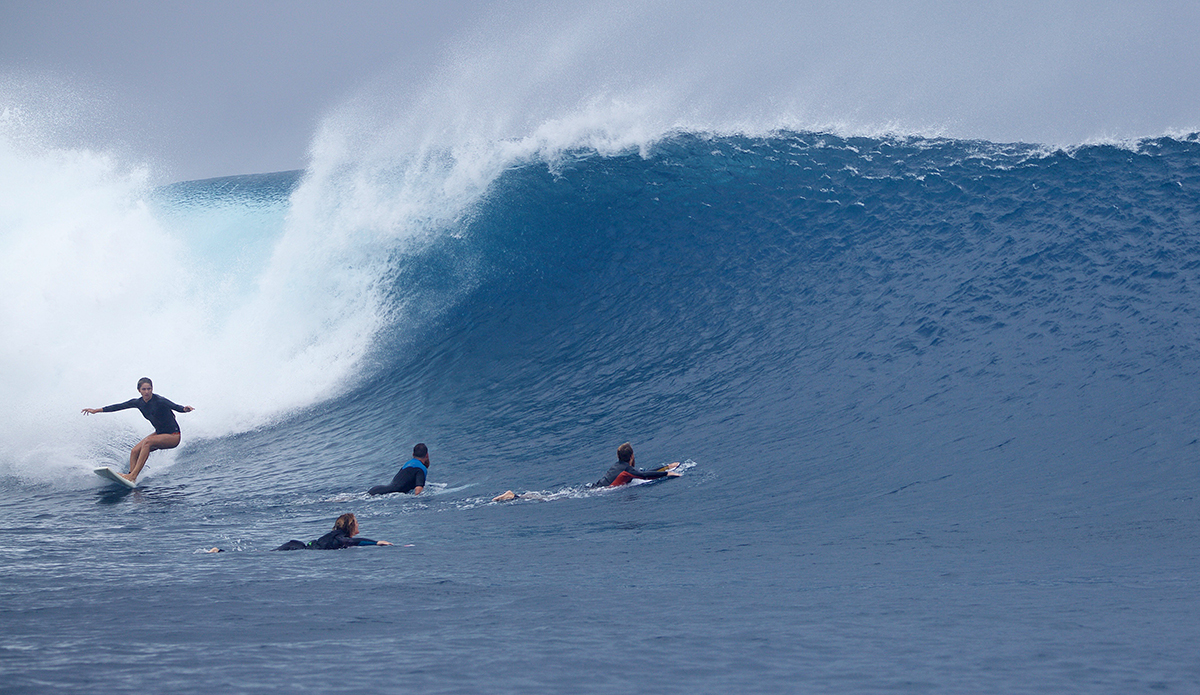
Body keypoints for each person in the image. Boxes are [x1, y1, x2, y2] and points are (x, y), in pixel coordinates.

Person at [82, 377, 194, 483]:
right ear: (139, 390)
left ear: (152, 389)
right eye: (144, 389)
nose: (147, 392)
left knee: (147, 442)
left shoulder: (160, 400)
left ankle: (132, 476)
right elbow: (118, 406)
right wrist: (96, 410)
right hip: (160, 433)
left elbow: (177, 407)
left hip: (173, 435)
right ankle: (130, 476)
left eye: (149, 389)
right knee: (134, 451)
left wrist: (185, 409)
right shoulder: (138, 402)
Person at [492, 442, 680, 502]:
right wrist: (666, 474)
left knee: (551, 496)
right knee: (550, 499)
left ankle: (517, 495)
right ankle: (515, 496)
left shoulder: (621, 466)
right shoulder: (627, 470)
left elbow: (642, 472)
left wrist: (665, 466)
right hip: (596, 492)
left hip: (592, 487)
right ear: (631, 456)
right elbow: (644, 475)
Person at [273, 513, 393, 551]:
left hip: (299, 546)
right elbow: (351, 541)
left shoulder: (337, 535)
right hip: (296, 548)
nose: (358, 524)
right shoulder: (340, 537)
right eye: (356, 522)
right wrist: (377, 543)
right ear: (351, 526)